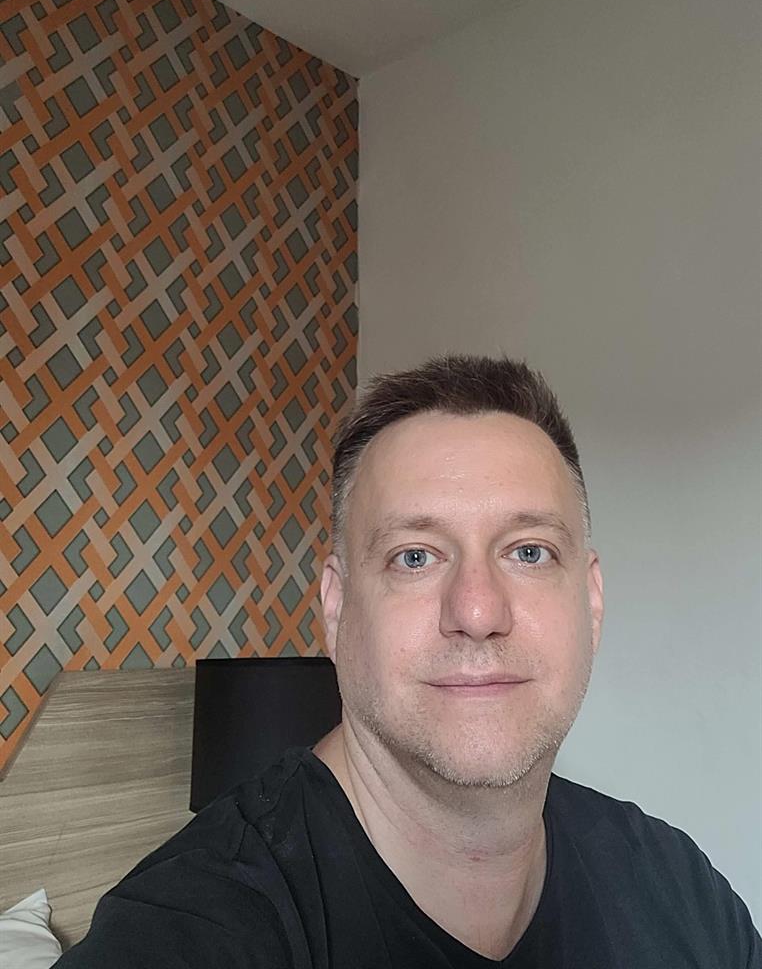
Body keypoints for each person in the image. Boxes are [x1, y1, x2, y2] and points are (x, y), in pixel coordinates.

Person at [57, 355, 760, 967]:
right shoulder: (197, 924)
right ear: (336, 608)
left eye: (529, 551)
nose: (477, 611)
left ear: (592, 602)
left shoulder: (680, 890)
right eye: (415, 557)